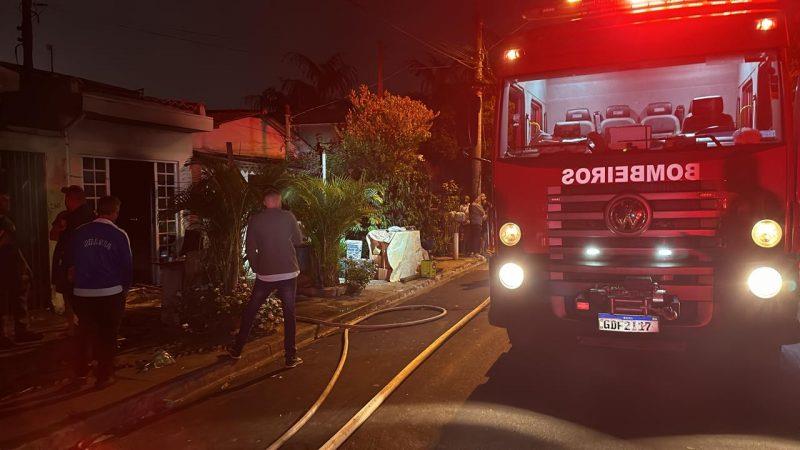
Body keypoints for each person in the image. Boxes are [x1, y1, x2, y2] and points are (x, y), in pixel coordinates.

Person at [229, 188, 304, 368]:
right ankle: (290, 357)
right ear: (278, 201)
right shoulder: (288, 217)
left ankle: (237, 349)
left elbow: (250, 249)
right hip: (287, 272)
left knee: (251, 310)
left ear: (264, 202)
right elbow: (299, 241)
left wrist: (257, 267)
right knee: (289, 313)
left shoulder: (255, 220)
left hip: (265, 274)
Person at [66, 196, 132, 389]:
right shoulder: (119, 234)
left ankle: (80, 374)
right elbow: (126, 267)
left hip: (83, 293)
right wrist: (124, 290)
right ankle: (103, 375)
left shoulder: (80, 232)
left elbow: (70, 264)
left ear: (97, 210)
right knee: (108, 335)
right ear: (115, 212)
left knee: (84, 334)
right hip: (110, 292)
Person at [0, 191, 42, 346]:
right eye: (4, 200)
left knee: (17, 299)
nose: (7, 203)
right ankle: (10, 334)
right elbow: (9, 244)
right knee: (7, 301)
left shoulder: (7, 220)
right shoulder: (5, 222)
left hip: (12, 267)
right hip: (7, 266)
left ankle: (19, 332)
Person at [51, 186, 95, 334]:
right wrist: (58, 227)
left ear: (72, 199)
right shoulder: (65, 216)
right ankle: (73, 327)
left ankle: (80, 328)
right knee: (68, 294)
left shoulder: (88, 216)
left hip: (74, 261)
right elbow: (53, 235)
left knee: (75, 296)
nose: (65, 200)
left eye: (67, 197)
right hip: (70, 261)